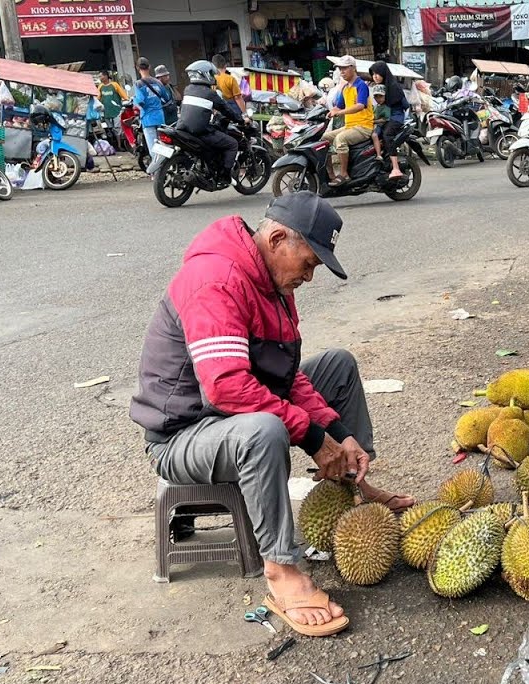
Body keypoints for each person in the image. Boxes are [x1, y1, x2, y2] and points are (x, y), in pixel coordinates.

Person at [130, 193, 414, 637]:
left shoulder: (273, 283)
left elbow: (286, 378)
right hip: (183, 435)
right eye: (308, 262)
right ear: (278, 238)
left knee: (337, 365)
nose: (309, 275)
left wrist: (337, 434)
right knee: (265, 428)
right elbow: (226, 388)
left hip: (228, 417)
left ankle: (356, 482)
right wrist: (314, 437)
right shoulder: (217, 278)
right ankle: (281, 569)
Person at [178, 60, 245, 175]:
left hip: (184, 129)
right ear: (204, 75)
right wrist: (241, 119)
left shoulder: (188, 89)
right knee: (232, 144)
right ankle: (224, 175)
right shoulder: (210, 93)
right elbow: (226, 110)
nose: (213, 77)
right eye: (211, 74)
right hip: (200, 132)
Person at [323, 56, 373, 186]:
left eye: (344, 68)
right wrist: (330, 111)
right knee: (323, 139)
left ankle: (344, 174)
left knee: (340, 139)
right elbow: (338, 106)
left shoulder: (361, 85)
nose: (342, 71)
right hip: (350, 126)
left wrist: (340, 112)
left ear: (353, 68)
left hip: (363, 126)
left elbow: (360, 105)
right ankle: (331, 174)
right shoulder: (345, 88)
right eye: (340, 69)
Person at [369, 61, 408, 179]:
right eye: (373, 74)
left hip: (395, 118)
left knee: (387, 135)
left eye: (378, 73)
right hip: (383, 118)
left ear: (383, 74)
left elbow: (405, 105)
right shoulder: (377, 88)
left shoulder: (394, 87)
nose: (375, 76)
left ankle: (396, 168)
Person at [133, 58, 169, 152]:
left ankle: (157, 166)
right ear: (149, 67)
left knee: (153, 149)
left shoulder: (138, 84)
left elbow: (140, 101)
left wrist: (134, 100)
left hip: (148, 119)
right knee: (163, 147)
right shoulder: (158, 82)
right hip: (160, 118)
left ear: (137, 68)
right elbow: (166, 97)